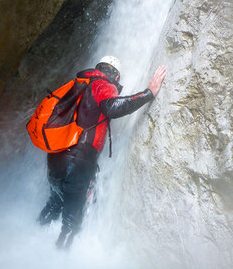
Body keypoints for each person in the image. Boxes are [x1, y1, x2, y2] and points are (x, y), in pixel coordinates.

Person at [38, 56, 166, 249]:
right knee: (72, 219)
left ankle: (33, 238)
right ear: (115, 75)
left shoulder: (79, 84)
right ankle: (59, 258)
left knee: (55, 202)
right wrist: (148, 93)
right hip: (78, 161)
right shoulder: (103, 84)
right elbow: (112, 107)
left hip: (56, 157)